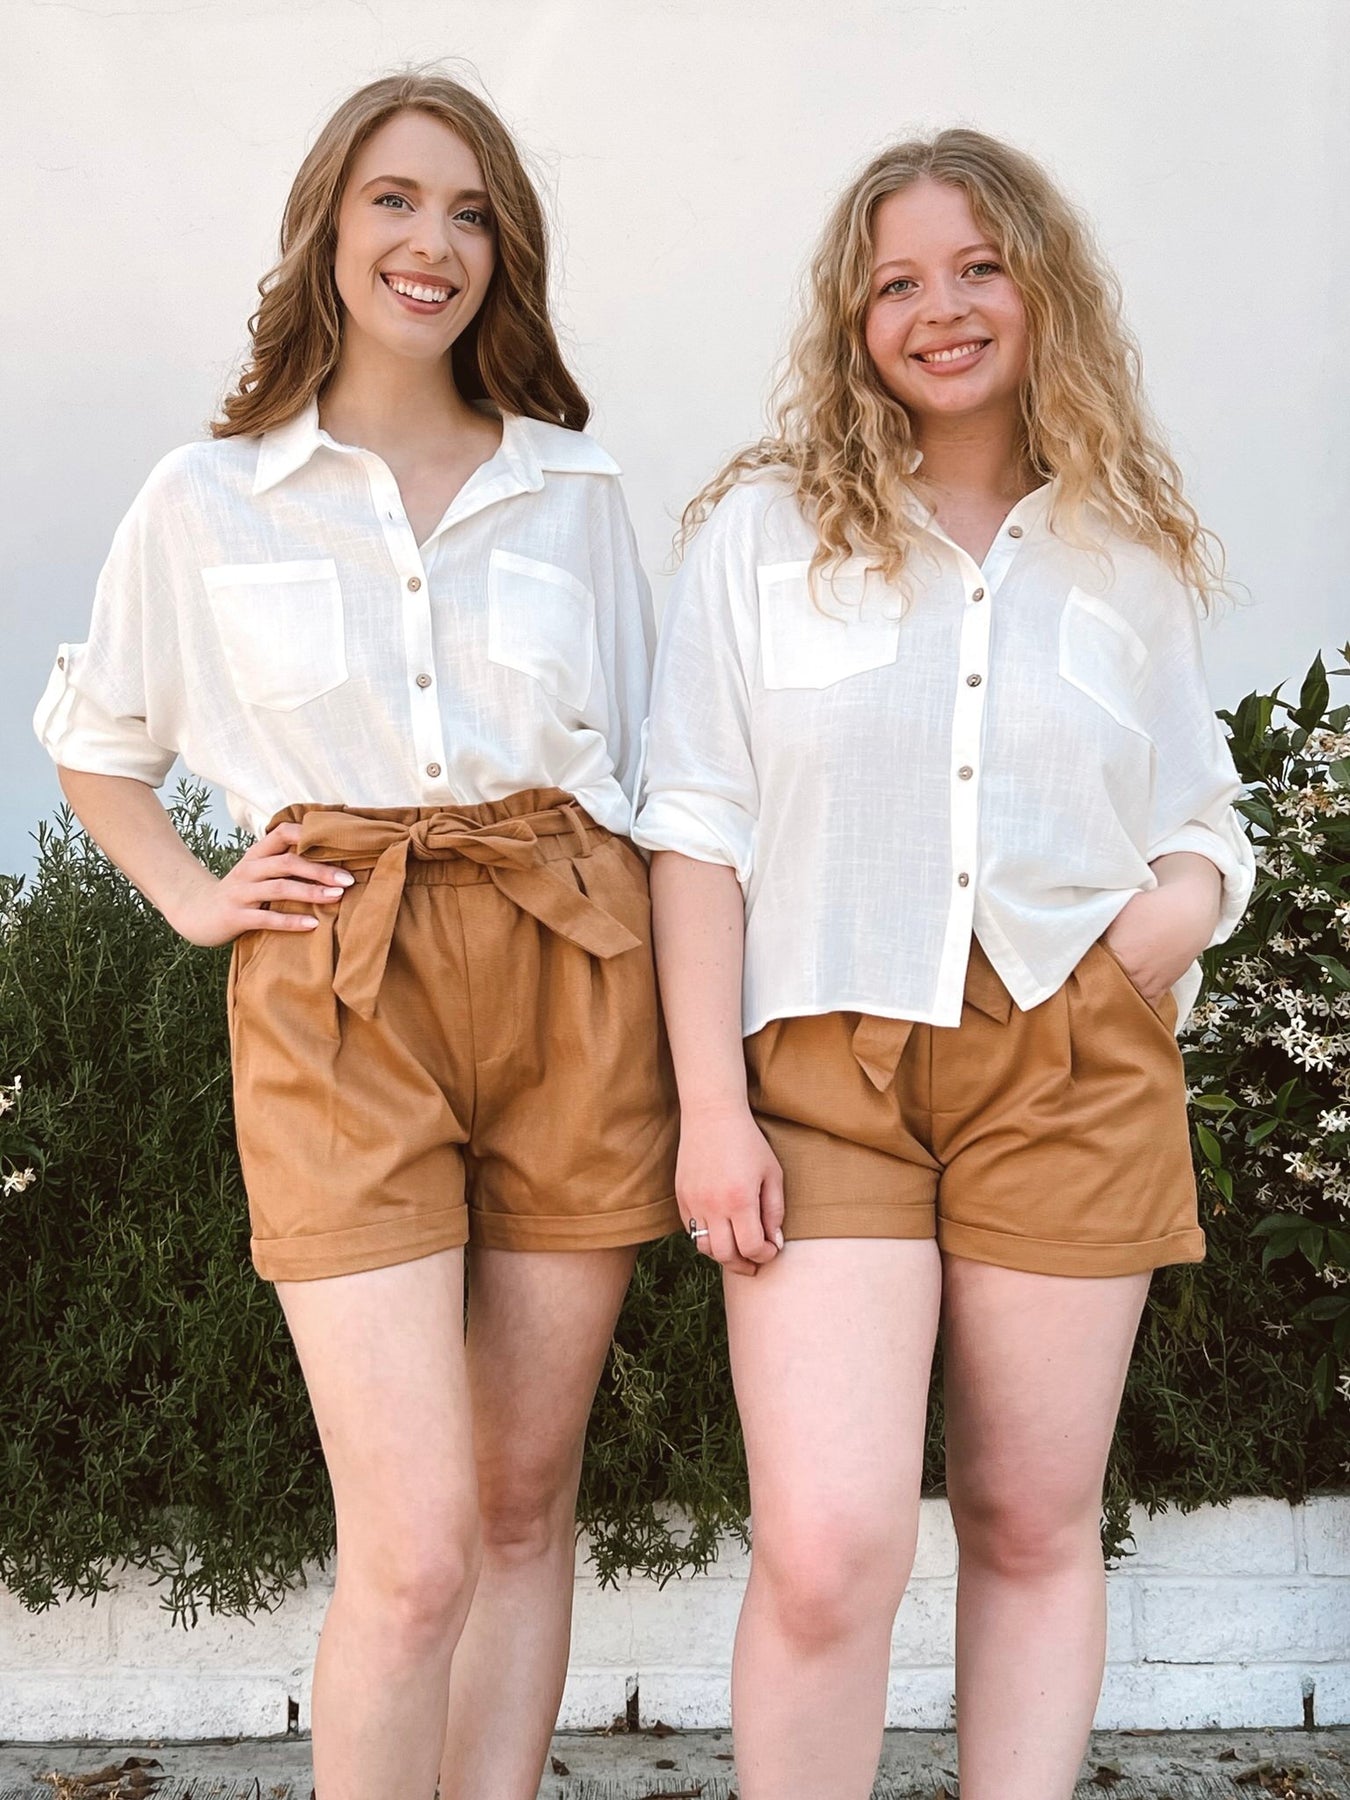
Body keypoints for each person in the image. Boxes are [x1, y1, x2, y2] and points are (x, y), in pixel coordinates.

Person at [34, 71, 678, 1800]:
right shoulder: (209, 495)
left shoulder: (574, 489)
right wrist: (194, 896)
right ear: (327, 226)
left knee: (523, 1504)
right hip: (337, 987)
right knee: (413, 1549)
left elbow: (651, 777)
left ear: (503, 252)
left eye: (469, 213)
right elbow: (98, 736)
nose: (430, 243)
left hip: (569, 966)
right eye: (394, 199)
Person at [634, 128, 1254, 1800]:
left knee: (1033, 1523)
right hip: (822, 1071)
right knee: (828, 1546)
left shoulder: (1123, 551)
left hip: (1068, 1056)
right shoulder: (762, 533)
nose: (941, 308)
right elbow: (692, 826)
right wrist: (709, 1111)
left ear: (1040, 289)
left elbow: (1201, 809)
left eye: (978, 267)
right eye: (896, 281)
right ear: (854, 321)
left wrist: (1180, 905)